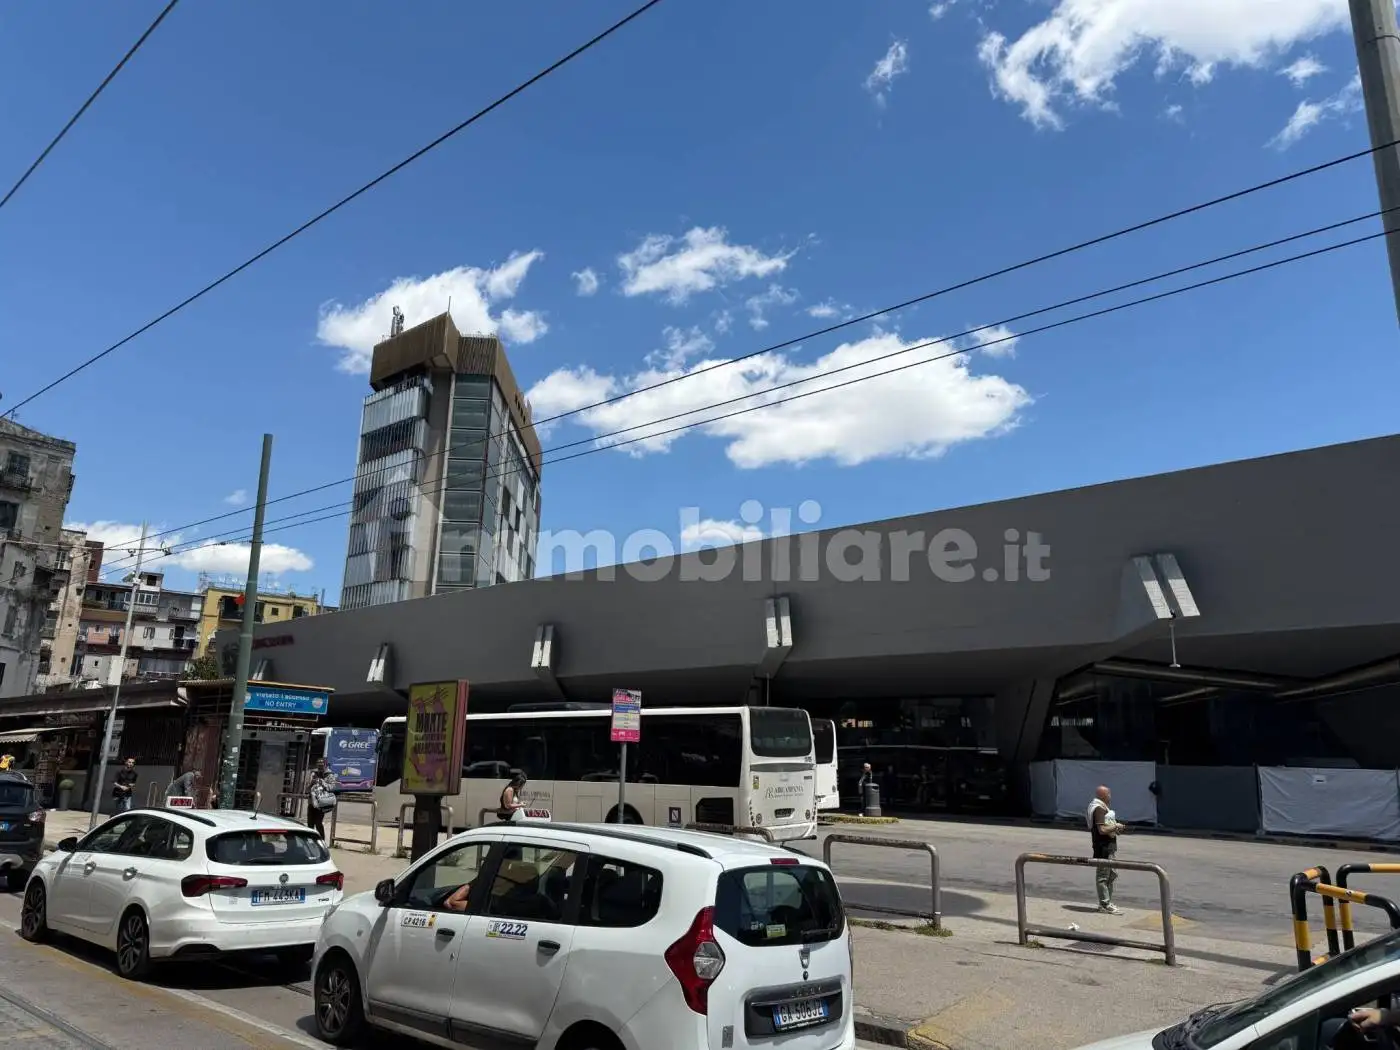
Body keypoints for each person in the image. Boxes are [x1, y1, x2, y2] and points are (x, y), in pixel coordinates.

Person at [1087, 784, 1124, 914]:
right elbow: (1102, 830)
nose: (1110, 796)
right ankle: (1104, 904)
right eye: (1108, 794)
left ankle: (1107, 902)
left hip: (1108, 847)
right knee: (1103, 876)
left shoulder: (1103, 808)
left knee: (1111, 875)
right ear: (1103, 796)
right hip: (1103, 848)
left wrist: (1115, 828)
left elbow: (1106, 827)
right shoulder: (1099, 809)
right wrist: (1115, 826)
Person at [307, 759, 337, 839]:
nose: (319, 767)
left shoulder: (330, 775)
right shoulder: (313, 774)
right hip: (311, 802)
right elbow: (307, 789)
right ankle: (311, 840)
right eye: (318, 765)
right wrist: (311, 784)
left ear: (325, 765)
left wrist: (322, 782)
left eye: (321, 765)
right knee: (310, 824)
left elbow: (332, 788)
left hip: (322, 803)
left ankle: (321, 840)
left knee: (318, 823)